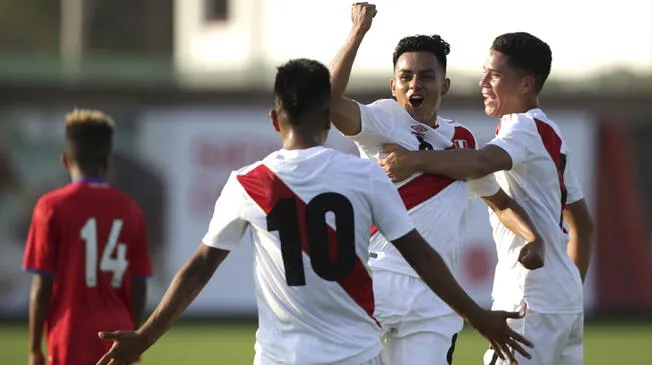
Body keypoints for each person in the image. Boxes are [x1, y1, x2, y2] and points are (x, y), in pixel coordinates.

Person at [95, 58, 532, 365]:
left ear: (274, 118)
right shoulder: (364, 177)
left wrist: (145, 337)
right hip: (357, 355)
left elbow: (199, 267)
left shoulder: (247, 182)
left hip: (279, 357)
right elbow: (420, 254)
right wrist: (477, 316)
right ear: (328, 117)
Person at [329, 3, 544, 364]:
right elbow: (328, 102)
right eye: (406, 76)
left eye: (426, 76)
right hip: (379, 276)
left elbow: (499, 201)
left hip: (436, 294)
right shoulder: (384, 118)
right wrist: (357, 32)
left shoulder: (461, 139)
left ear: (443, 84)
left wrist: (534, 237)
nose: (416, 84)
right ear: (394, 84)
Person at [379, 32, 594, 365]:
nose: (483, 82)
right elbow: (583, 225)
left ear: (525, 84)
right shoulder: (551, 134)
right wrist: (567, 292)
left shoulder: (522, 127)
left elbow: (480, 162)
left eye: (494, 74)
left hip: (528, 296)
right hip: (563, 302)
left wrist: (412, 159)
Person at [22, 110, 152, 365]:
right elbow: (140, 283)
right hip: (117, 334)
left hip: (70, 334)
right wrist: (132, 336)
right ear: (108, 161)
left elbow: (42, 286)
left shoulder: (50, 207)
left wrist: (34, 348)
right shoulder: (131, 210)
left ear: (65, 161)